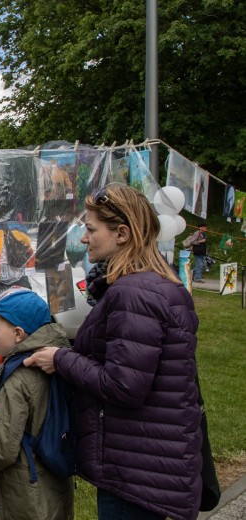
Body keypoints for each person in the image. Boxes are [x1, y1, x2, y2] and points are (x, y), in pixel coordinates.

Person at [25, 184, 202, 520]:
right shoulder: (157, 284)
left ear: (121, 233)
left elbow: (124, 385)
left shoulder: (132, 294)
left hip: (136, 470)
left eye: (91, 230)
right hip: (152, 459)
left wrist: (60, 359)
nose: (84, 238)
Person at [0, 287, 74, 520]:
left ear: (18, 334)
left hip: (24, 492)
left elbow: (4, 448)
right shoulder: (57, 361)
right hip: (54, 480)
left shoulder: (17, 380)